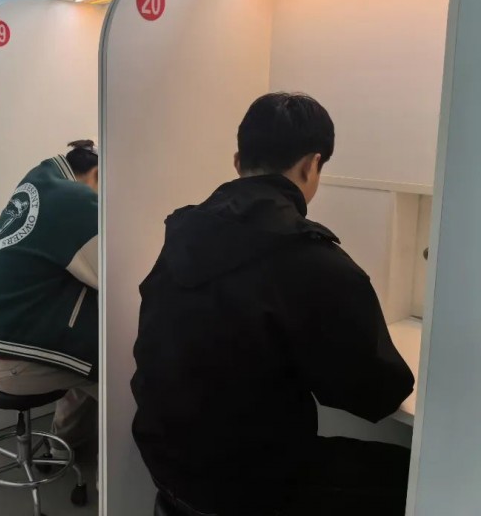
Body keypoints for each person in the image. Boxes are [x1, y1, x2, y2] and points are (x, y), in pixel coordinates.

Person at [132, 93, 415, 516]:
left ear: (237, 161)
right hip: (250, 488)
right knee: (420, 472)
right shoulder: (312, 259)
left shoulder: (182, 234)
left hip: (168, 467)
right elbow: (379, 392)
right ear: (311, 165)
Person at [0, 140, 99, 451]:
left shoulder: (38, 182)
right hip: (11, 361)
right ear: (96, 174)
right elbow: (115, 279)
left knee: (88, 350)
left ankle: (66, 445)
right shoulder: (75, 199)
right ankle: (115, 478)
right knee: (118, 368)